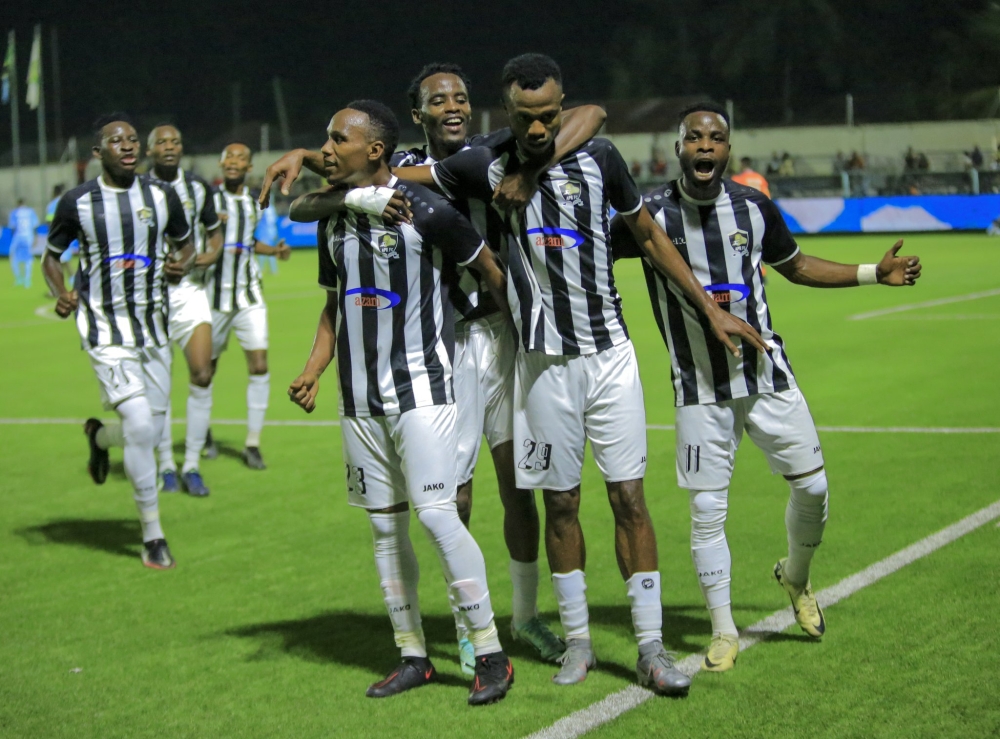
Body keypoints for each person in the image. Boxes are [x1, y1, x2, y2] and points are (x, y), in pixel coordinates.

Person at [413, 53, 765, 694]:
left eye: (550, 115)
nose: (540, 128)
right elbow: (402, 177)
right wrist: (320, 168)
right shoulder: (479, 165)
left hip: (611, 359)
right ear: (507, 113)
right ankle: (577, 643)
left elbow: (652, 237)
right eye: (527, 119)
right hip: (542, 364)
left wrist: (711, 310)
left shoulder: (600, 158)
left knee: (629, 498)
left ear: (562, 105)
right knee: (561, 503)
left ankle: (652, 648)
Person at [272, 62, 605, 674]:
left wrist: (529, 169)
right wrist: (310, 158)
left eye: (460, 97)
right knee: (451, 494)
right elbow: (325, 189)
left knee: (519, 484)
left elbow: (589, 115)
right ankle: (466, 629)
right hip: (446, 345)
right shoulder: (400, 169)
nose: (453, 106)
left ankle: (525, 617)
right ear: (417, 111)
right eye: (438, 100)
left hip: (509, 336)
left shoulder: (488, 150)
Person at [609, 101, 922, 673]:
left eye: (717, 138)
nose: (706, 146)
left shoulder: (754, 208)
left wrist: (874, 273)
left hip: (767, 376)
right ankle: (723, 630)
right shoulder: (646, 215)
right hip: (698, 385)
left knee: (815, 492)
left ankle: (795, 578)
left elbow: (797, 266)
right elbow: (587, 258)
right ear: (678, 149)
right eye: (695, 137)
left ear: (729, 151)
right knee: (707, 510)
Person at [288, 100, 514, 705]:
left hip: (423, 389)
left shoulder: (428, 213)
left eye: (339, 140)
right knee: (385, 531)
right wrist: (314, 368)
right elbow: (336, 302)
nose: (326, 150)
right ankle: (413, 655)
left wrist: (520, 335)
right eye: (326, 138)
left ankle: (489, 651)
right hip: (358, 399)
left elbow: (488, 268)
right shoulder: (336, 218)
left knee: (438, 517)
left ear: (375, 150)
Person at [41, 113, 195, 570]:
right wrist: (62, 293)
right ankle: (152, 535)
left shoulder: (162, 196)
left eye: (132, 139)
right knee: (143, 427)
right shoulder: (77, 202)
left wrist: (180, 263)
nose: (127, 145)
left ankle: (100, 436)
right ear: (99, 152)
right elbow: (52, 258)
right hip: (105, 329)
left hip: (153, 330)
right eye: (116, 140)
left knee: (149, 428)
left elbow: (184, 243)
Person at [143, 125, 223, 496]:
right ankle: (165, 467)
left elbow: (213, 231)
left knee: (203, 374)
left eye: (175, 140)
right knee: (157, 391)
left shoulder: (197, 187)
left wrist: (212, 253)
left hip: (191, 290)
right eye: (162, 142)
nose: (170, 146)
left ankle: (191, 464)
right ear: (149, 151)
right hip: (151, 296)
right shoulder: (137, 189)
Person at [204, 143, 290, 470]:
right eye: (228, 157)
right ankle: (203, 432)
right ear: (221, 163)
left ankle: (252, 443)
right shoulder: (208, 201)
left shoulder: (256, 202)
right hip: (213, 296)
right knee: (205, 371)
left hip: (249, 296)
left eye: (240, 158)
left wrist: (273, 251)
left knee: (258, 366)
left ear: (249, 167)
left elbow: (247, 241)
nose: (233, 162)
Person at [7, 199, 39, 288]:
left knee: (13, 256)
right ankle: (27, 280)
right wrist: (35, 238)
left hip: (18, 237)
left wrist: (14, 237)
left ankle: (18, 278)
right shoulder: (30, 212)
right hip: (29, 237)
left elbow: (12, 227)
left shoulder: (14, 212)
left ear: (18, 204)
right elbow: (35, 226)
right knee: (28, 258)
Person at [256, 202, 280, 274]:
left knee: (262, 250)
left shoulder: (262, 209)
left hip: (264, 232)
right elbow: (275, 221)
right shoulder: (272, 209)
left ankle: (260, 269)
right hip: (272, 231)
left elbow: (260, 220)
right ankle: (274, 270)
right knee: (271, 250)